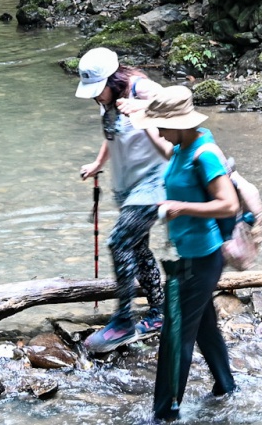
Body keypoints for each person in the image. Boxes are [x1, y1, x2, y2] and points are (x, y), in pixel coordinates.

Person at [127, 86, 237, 422]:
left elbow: (228, 203)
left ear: (179, 123)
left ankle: (165, 414)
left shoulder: (204, 154)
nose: (158, 130)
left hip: (201, 260)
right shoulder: (182, 145)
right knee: (204, 326)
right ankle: (226, 387)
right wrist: (140, 118)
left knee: (175, 338)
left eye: (161, 124)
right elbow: (164, 149)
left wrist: (180, 206)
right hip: (190, 257)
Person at [76, 48, 169, 352]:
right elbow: (112, 134)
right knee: (138, 248)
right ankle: (159, 313)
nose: (95, 97)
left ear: (113, 79)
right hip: (128, 188)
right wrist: (97, 164)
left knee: (119, 242)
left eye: (97, 90)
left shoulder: (141, 88)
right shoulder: (106, 99)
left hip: (156, 182)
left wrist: (144, 108)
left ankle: (123, 320)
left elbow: (179, 108)